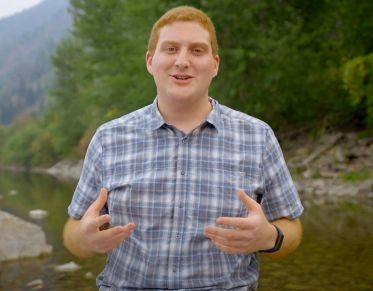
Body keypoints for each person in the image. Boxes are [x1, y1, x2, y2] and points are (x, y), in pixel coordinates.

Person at [63, 5, 303, 291]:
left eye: (197, 51)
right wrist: (84, 240)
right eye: (171, 49)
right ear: (150, 61)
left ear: (215, 64)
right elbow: (72, 232)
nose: (182, 61)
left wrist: (269, 238)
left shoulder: (257, 136)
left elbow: (292, 228)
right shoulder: (108, 139)